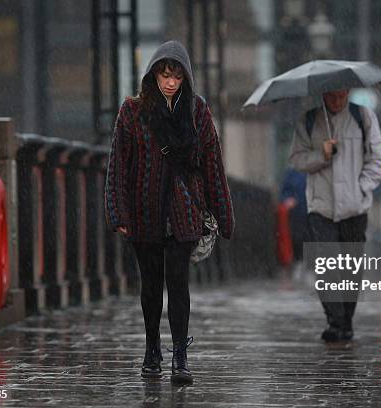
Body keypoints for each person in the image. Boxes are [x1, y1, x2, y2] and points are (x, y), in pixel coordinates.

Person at [104, 40, 234, 384]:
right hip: (144, 210)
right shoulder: (132, 111)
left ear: (185, 77)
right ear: (153, 75)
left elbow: (213, 164)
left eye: (176, 76)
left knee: (178, 284)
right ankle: (151, 349)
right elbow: (118, 163)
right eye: (164, 75)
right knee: (150, 286)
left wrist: (223, 214)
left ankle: (180, 355)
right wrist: (117, 212)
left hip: (184, 212)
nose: (170, 82)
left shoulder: (197, 112)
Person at [289, 89, 381, 342]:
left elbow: (378, 159)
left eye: (341, 96)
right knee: (327, 266)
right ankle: (335, 321)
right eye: (332, 96)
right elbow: (297, 160)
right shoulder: (309, 121)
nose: (337, 101)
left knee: (351, 269)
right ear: (323, 95)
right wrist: (321, 155)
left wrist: (361, 187)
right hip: (321, 207)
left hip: (355, 209)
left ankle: (346, 319)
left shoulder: (362, 116)